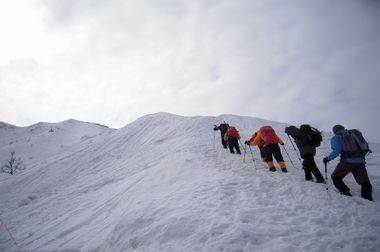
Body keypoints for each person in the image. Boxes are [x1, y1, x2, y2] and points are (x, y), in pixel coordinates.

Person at [323, 125, 373, 201]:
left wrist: (328, 158)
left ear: (335, 131)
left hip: (348, 161)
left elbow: (336, 150)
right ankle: (368, 199)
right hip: (360, 160)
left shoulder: (337, 137)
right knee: (364, 181)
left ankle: (345, 192)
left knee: (335, 176)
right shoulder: (354, 133)